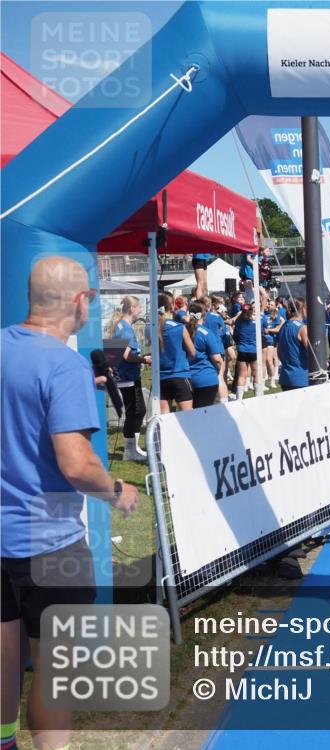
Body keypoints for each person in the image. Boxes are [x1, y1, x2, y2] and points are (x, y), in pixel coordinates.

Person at [2, 256, 139, 750]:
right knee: (55, 673)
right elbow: (77, 465)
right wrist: (119, 492)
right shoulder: (64, 364)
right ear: (79, 302)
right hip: (49, 544)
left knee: (4, 659)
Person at [107, 295, 151, 461]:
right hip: (127, 376)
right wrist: (143, 359)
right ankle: (129, 450)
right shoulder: (124, 328)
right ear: (132, 309)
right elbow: (126, 355)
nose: (140, 310)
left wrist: (141, 357)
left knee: (137, 411)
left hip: (127, 375)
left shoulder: (122, 326)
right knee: (136, 411)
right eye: (139, 307)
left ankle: (133, 448)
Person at [158, 292, 196, 413]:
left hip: (161, 376)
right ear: (172, 306)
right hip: (179, 374)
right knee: (188, 416)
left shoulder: (152, 328)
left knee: (164, 416)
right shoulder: (179, 327)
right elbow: (193, 352)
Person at [186, 301, 224, 408]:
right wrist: (220, 368)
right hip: (206, 378)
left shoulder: (183, 330)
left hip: (186, 378)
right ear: (204, 314)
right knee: (206, 415)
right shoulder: (206, 333)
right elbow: (217, 359)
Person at [277, 298, 310, 391]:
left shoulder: (283, 326)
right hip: (301, 378)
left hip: (285, 377)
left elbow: (278, 351)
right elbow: (312, 353)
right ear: (303, 309)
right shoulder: (302, 328)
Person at [232, 297, 260, 400]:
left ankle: (239, 398)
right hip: (254, 351)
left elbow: (235, 335)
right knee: (256, 373)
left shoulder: (239, 322)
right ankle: (257, 396)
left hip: (242, 350)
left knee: (242, 375)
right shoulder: (257, 322)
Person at [262, 300, 284, 389]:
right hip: (262, 339)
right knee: (262, 361)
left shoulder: (276, 316)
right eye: (269, 304)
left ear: (275, 307)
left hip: (271, 340)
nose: (269, 306)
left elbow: (278, 329)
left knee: (268, 360)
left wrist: (269, 330)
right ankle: (262, 381)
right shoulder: (263, 314)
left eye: (272, 305)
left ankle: (272, 379)